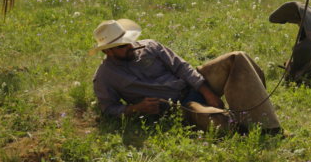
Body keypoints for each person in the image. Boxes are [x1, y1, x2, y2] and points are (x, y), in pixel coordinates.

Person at [90, 19, 281, 134]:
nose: (130, 46)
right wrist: (135, 108)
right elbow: (108, 108)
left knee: (237, 58)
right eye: (123, 46)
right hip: (180, 106)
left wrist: (206, 92)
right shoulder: (104, 77)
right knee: (222, 124)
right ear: (107, 52)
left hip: (197, 82)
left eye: (129, 41)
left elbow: (181, 67)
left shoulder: (150, 46)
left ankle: (270, 127)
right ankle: (248, 122)